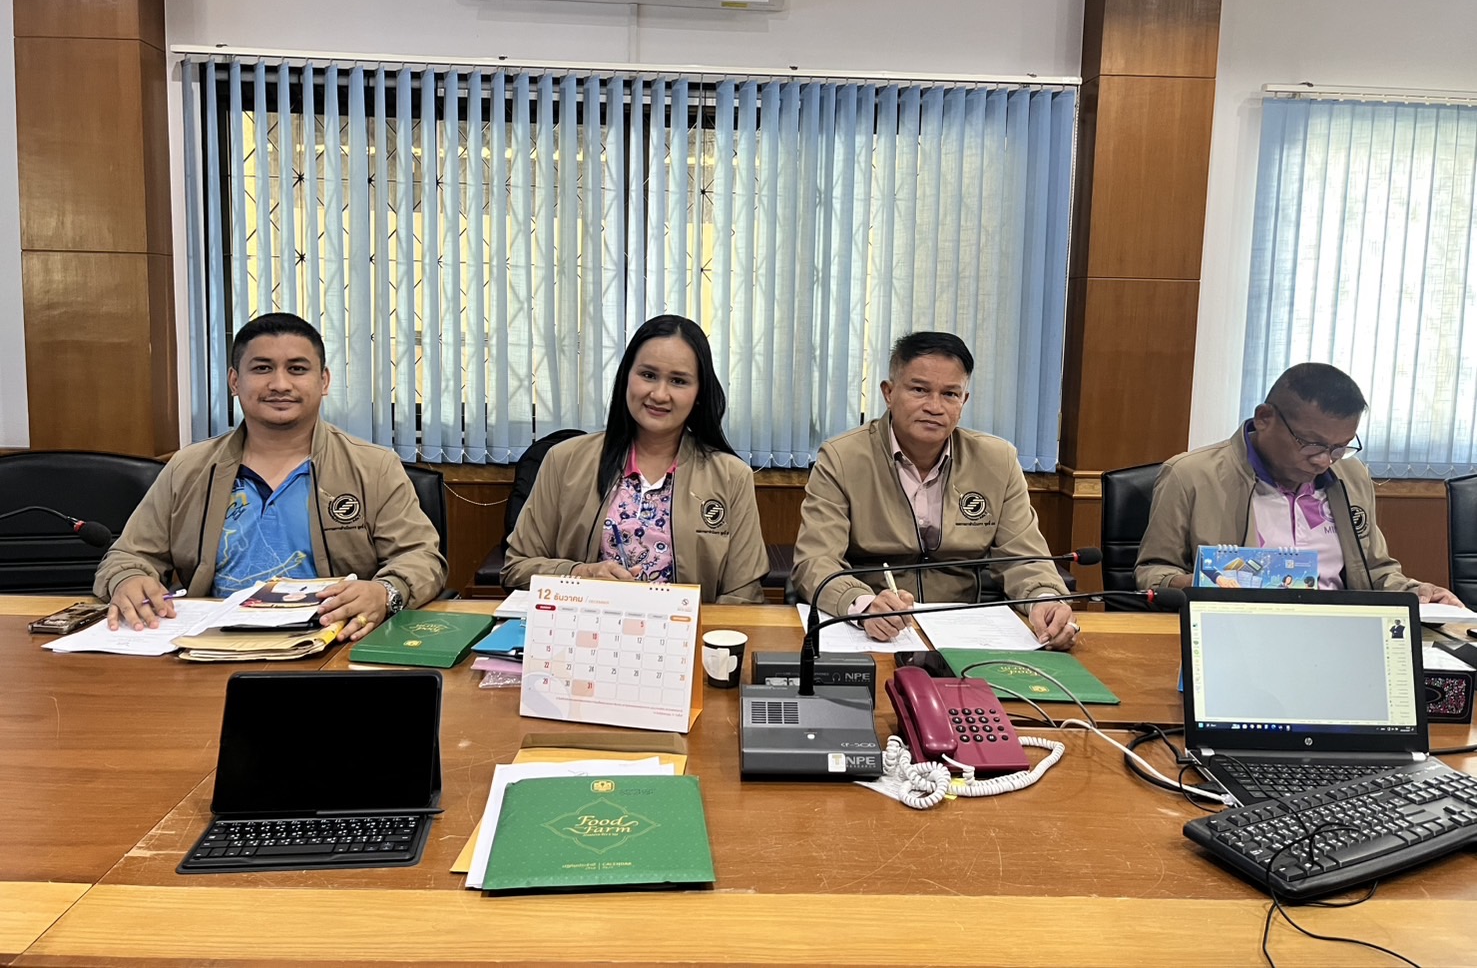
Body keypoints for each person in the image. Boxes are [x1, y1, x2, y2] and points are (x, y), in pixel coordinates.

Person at [95, 312, 448, 636]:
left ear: (323, 380)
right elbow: (129, 556)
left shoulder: (373, 467)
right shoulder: (188, 468)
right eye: (262, 368)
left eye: (297, 369)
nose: (280, 384)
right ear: (235, 381)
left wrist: (384, 592)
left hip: (332, 639)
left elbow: (421, 558)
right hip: (212, 643)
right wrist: (127, 579)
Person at [791, 331, 1079, 648]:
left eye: (950, 394)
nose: (934, 406)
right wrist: (862, 604)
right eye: (919, 390)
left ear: (963, 401)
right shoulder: (842, 458)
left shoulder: (997, 461)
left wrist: (1045, 601)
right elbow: (816, 561)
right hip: (875, 632)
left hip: (968, 632)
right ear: (889, 393)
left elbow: (1025, 559)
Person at [1136, 362, 1462, 605]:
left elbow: (1374, 570)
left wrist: (1416, 591)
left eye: (1339, 447)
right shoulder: (1191, 475)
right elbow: (1152, 573)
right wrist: (1202, 583)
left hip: (1340, 634)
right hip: (1239, 631)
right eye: (1311, 444)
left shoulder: (1351, 476)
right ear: (1264, 418)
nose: (1324, 460)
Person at [501, 314, 768, 603]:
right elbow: (516, 569)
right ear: (627, 376)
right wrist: (580, 574)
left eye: (678, 381)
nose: (660, 394)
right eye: (648, 375)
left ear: (699, 393)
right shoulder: (564, 460)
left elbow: (744, 596)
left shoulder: (731, 476)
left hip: (689, 629)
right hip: (585, 625)